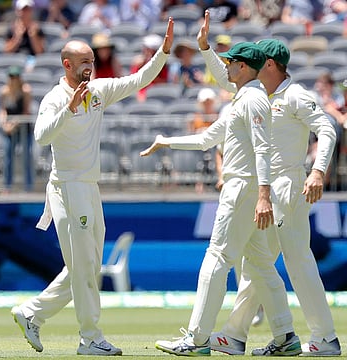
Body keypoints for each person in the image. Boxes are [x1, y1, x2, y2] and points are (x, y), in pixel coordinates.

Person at [10, 17, 174, 356]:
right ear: (67, 65)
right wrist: (69, 110)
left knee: (87, 267)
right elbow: (41, 136)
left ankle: (32, 313)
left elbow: (137, 79)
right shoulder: (56, 98)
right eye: (85, 62)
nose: (91, 67)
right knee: (84, 268)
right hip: (68, 188)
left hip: (89, 187)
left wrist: (163, 52)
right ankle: (90, 338)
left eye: (93, 62)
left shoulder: (98, 91)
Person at [197, 12, 341, 356]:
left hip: (287, 188)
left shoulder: (296, 96)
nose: (251, 63)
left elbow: (327, 128)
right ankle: (234, 334)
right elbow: (226, 75)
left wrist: (318, 171)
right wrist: (205, 48)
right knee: (258, 263)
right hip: (266, 189)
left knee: (297, 261)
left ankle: (324, 338)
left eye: (259, 59)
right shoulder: (259, 93)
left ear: (272, 64)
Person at [143, 40, 299, 357]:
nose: (225, 67)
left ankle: (197, 339)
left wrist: (264, 195)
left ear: (243, 67)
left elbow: (263, 148)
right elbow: (206, 140)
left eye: (230, 62)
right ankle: (285, 337)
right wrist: (166, 141)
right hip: (245, 188)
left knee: (216, 259)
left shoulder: (253, 99)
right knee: (259, 264)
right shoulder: (242, 100)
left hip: (243, 188)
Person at [0, 65, 34, 193]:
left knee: (27, 156)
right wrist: (4, 124)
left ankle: (28, 186)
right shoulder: (4, 91)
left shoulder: (25, 90)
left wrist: (13, 124)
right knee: (8, 156)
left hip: (24, 129)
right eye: (11, 76)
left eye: (16, 76)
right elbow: (3, 110)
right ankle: (7, 186)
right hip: (9, 130)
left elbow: (26, 111)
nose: (13, 79)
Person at [131, 33, 169, 102]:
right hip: (140, 95)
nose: (147, 52)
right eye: (146, 49)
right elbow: (133, 82)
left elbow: (163, 82)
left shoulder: (163, 66)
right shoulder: (138, 64)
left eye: (150, 50)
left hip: (157, 96)